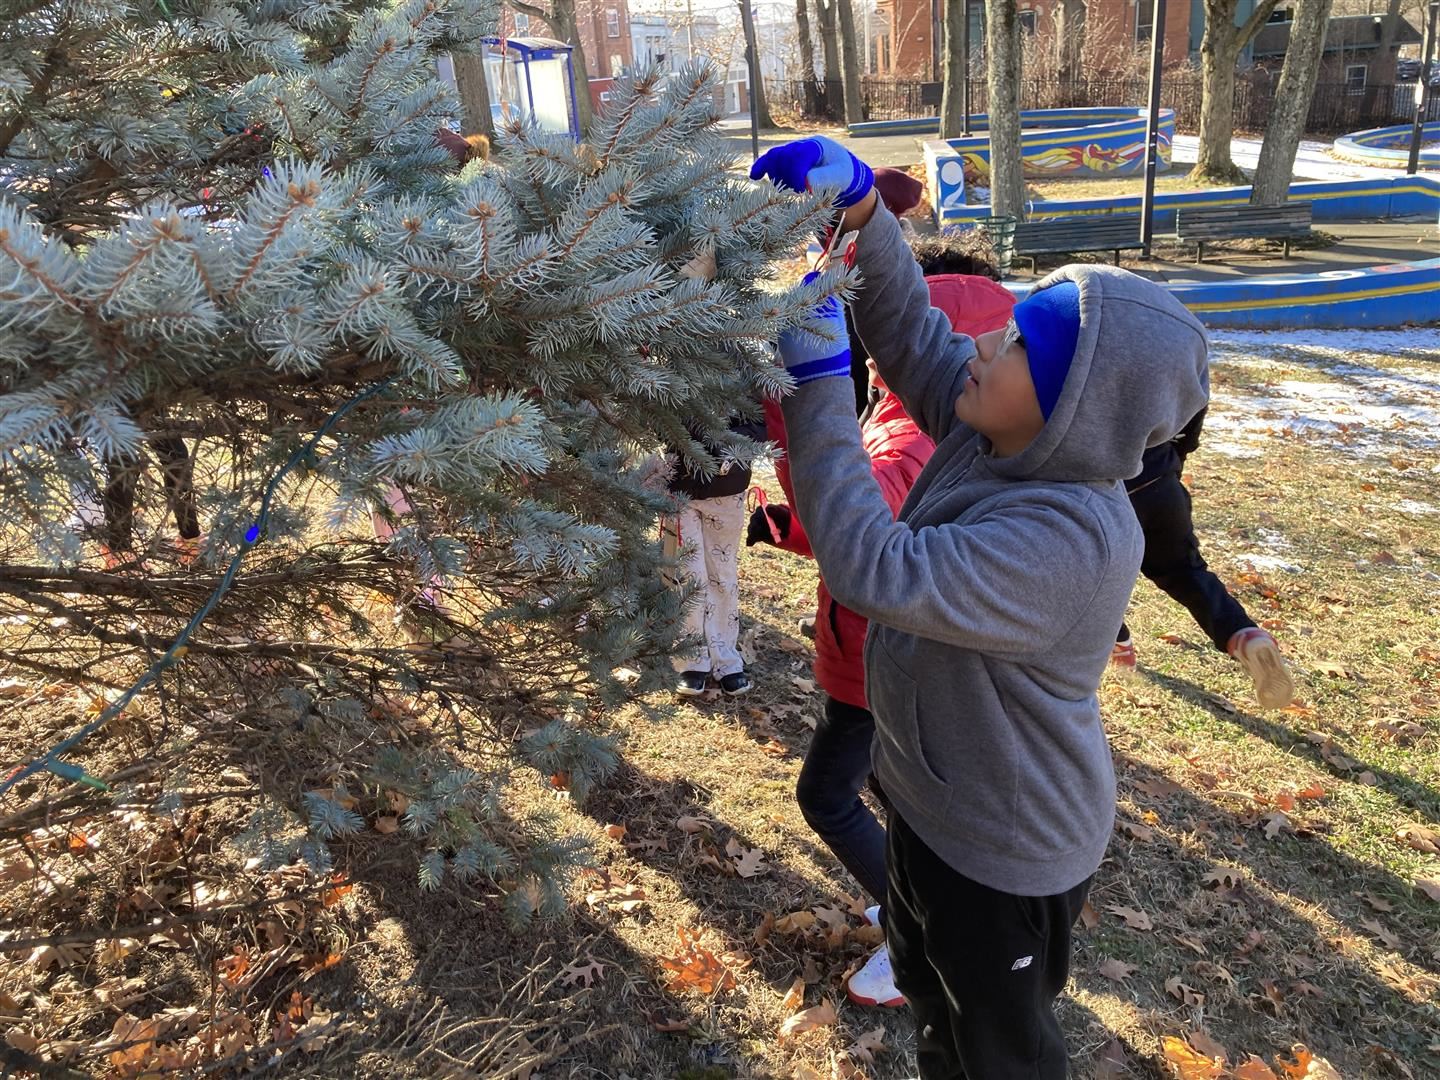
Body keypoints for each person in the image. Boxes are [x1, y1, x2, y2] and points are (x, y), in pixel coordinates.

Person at [751, 135, 1209, 1079]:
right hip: (930, 803)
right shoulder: (997, 431)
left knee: (1000, 1048)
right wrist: (865, 215)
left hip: (1006, 852)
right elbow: (916, 335)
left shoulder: (1072, 537)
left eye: (1013, 345)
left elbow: (874, 565)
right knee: (930, 995)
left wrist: (815, 386)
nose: (984, 341)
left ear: (1074, 407)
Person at [747, 239, 1016, 1010]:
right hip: (888, 656)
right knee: (891, 791)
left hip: (874, 663)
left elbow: (861, 528)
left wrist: (791, 390)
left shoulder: (913, 428)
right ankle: (921, 904)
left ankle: (918, 937)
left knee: (828, 797)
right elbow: (865, 521)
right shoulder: (967, 410)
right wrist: (787, 525)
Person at [1111, 408, 1296, 708]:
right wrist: (1170, 467)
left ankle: (1116, 642)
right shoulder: (1176, 358)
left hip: (1103, 487)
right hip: (1160, 480)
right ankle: (1243, 634)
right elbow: (1192, 411)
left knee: (1092, 575)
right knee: (1185, 571)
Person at [666, 415, 765, 698]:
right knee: (687, 572)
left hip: (727, 489)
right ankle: (690, 658)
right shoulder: (670, 373)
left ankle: (725, 657)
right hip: (679, 488)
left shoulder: (746, 374)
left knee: (722, 573)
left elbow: (759, 426)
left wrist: (721, 448)